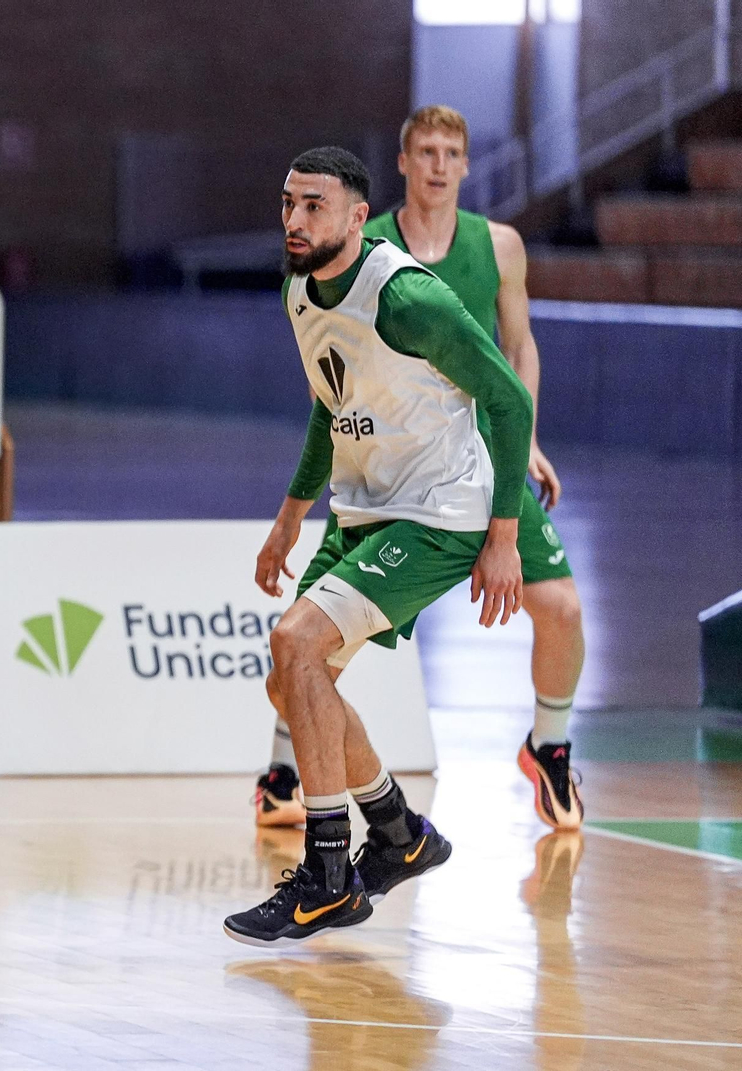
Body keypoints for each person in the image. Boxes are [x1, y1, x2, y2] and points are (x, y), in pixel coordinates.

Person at [223, 147, 532, 946]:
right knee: (292, 683)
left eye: (314, 206)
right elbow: (334, 404)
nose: (294, 220)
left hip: (439, 512)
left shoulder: (408, 299)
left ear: (359, 217)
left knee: (297, 643)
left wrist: (504, 532)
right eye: (288, 202)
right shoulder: (300, 291)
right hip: (364, 508)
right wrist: (291, 513)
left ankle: (327, 875)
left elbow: (504, 397)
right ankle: (399, 832)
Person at [253, 106, 586, 834]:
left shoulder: (496, 247)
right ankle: (323, 787)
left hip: (469, 463)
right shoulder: (343, 254)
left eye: (452, 151)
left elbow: (513, 359)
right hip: (385, 473)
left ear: (467, 164)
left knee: (559, 606)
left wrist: (522, 437)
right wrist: (289, 516)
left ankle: (549, 747)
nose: (439, 163)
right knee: (298, 663)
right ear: (402, 164)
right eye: (426, 151)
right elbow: (332, 397)